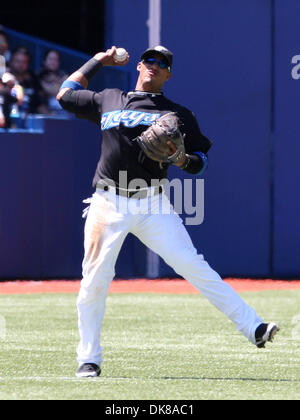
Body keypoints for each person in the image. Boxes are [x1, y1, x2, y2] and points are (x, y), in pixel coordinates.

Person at [57, 46, 280, 378]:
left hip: (152, 202)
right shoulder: (109, 99)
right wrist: (100, 61)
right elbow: (65, 95)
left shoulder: (178, 114)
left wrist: (181, 160)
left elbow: (200, 163)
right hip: (108, 200)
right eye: (150, 60)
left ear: (169, 74)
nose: (154, 66)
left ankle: (254, 328)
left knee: (193, 264)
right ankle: (89, 358)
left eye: (162, 64)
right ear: (140, 66)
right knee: (95, 281)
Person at [8, 47, 42, 116]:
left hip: (29, 118)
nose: (21, 65)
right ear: (11, 62)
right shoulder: (3, 80)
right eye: (18, 61)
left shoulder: (32, 81)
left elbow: (38, 104)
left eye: (24, 62)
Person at [37, 49, 68, 115]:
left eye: (55, 60)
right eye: (50, 59)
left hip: (64, 111)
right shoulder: (38, 76)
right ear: (44, 61)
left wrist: (56, 80)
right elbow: (50, 91)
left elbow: (67, 91)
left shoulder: (62, 75)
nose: (53, 62)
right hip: (47, 112)